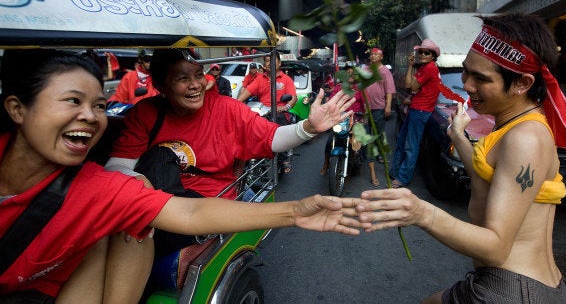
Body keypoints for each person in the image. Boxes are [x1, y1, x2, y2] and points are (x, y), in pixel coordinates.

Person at [0, 48, 364, 302]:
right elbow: (121, 167)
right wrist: (135, 186)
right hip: (154, 200)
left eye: (198, 76)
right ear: (161, 85)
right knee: (137, 200)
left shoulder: (228, 110)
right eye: (182, 79)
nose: (194, 86)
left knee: (135, 223)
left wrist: (309, 128)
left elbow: (269, 139)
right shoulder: (145, 116)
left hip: (202, 203)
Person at [356, 13, 566, 303]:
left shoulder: (526, 138)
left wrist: (421, 212)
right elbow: (488, 180)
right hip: (518, 285)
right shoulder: (513, 124)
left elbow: (497, 246)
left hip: (514, 289)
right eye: (466, 72)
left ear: (522, 83)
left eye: (481, 78)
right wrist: (458, 135)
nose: (468, 85)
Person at [389, 39, 442, 188]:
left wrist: (411, 67)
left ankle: (403, 178)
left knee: (410, 146)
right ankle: (396, 172)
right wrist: (411, 66)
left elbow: (410, 86)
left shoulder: (429, 68)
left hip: (420, 111)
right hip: (417, 109)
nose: (423, 54)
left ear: (432, 55)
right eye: (421, 52)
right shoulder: (424, 68)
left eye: (427, 52)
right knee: (402, 141)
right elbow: (409, 85)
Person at [237, 53, 299, 173]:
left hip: (280, 111)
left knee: (279, 129)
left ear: (279, 63)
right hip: (263, 111)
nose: (269, 63)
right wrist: (236, 104)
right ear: (264, 64)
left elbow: (294, 98)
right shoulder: (260, 78)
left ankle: (284, 157)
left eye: (272, 60)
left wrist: (285, 107)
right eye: (266, 60)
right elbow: (246, 93)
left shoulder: (286, 80)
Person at [320, 66, 379, 187]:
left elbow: (366, 105)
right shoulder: (338, 88)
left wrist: (365, 117)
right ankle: (326, 164)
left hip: (357, 120)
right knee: (330, 141)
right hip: (341, 121)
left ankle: (373, 174)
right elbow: (331, 102)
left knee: (366, 146)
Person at [363, 47, 395, 167]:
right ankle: (366, 154)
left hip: (378, 107)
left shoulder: (385, 71)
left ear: (381, 57)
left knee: (379, 133)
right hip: (365, 108)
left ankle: (380, 154)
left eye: (376, 54)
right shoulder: (366, 69)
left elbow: (389, 91)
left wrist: (388, 106)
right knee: (365, 132)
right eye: (371, 54)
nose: (373, 56)